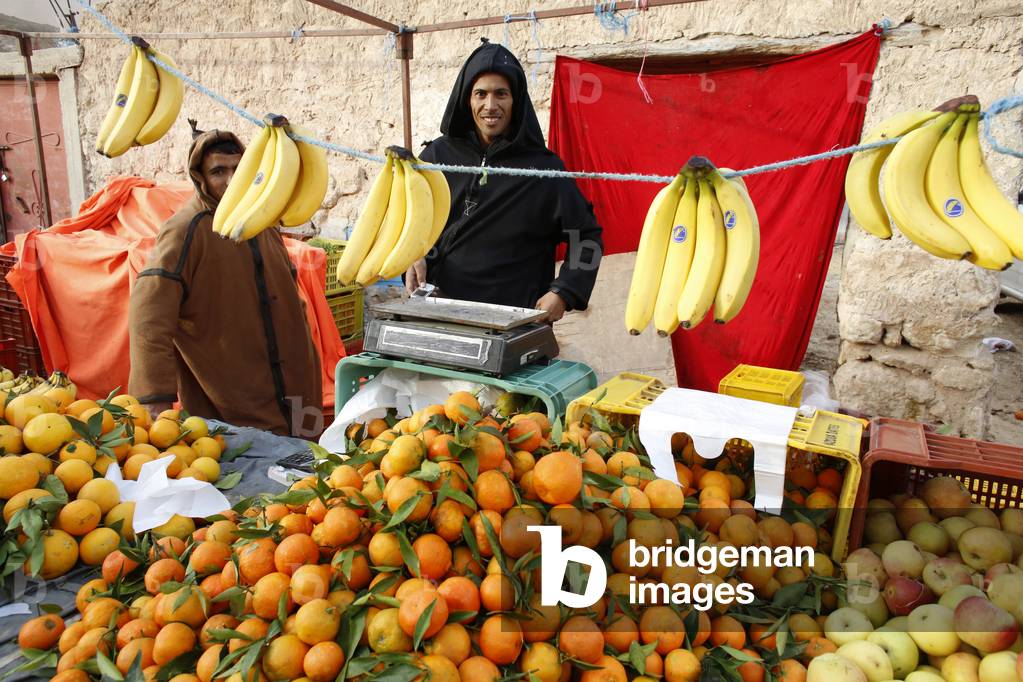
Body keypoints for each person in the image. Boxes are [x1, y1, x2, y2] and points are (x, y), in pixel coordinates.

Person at [128, 124, 322, 436]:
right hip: (232, 397)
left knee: (309, 469)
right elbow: (148, 313)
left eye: (238, 169)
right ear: (200, 178)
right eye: (218, 171)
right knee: (249, 474)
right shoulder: (186, 229)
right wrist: (154, 396)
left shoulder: (262, 220)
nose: (231, 181)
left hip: (297, 388)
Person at [406, 40, 603, 322]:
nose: (490, 105)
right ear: (467, 99)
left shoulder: (544, 170)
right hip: (439, 312)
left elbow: (586, 236)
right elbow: (411, 218)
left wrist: (564, 291)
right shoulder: (437, 156)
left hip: (513, 322)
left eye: (501, 94)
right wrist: (413, 254)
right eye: (480, 94)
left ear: (516, 100)